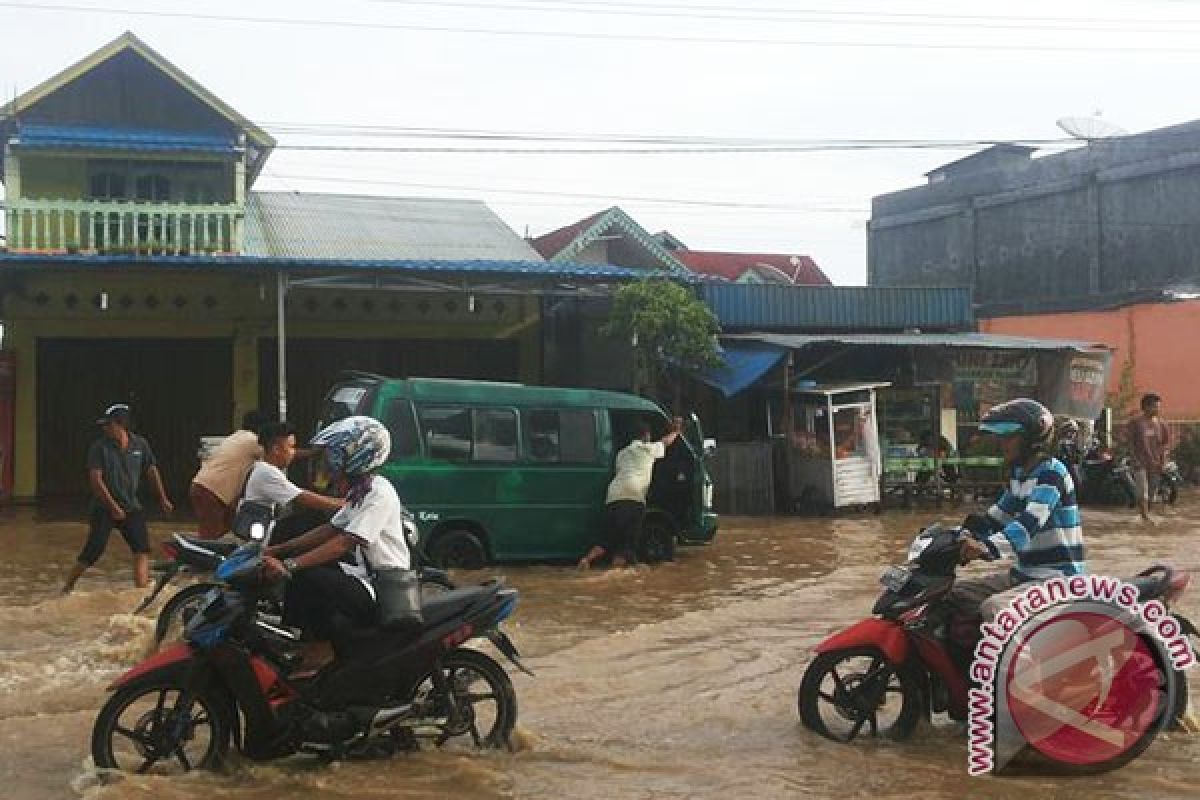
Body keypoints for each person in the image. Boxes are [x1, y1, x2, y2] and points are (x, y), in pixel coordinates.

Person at [262, 416, 408, 671]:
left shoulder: (379, 492)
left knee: (307, 577)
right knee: (303, 577)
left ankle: (321, 653)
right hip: (363, 576)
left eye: (336, 455)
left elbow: (343, 543)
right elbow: (328, 529)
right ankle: (313, 644)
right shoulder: (362, 490)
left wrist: (290, 564)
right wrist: (276, 550)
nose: (329, 463)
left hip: (383, 586)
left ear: (358, 455)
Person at [949, 398, 1085, 624]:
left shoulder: (1051, 474)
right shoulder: (1019, 476)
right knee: (956, 594)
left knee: (995, 608)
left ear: (1031, 439)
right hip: (1024, 575)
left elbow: (1027, 525)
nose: (1003, 443)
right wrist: (954, 537)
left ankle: (1024, 660)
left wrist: (985, 547)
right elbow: (995, 518)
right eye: (1001, 437)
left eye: (1009, 437)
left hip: (1058, 581)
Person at [62, 404, 174, 593]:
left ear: (121, 425)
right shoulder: (99, 448)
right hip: (103, 508)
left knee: (141, 549)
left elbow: (152, 471)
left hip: (131, 507)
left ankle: (141, 591)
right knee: (93, 551)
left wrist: (163, 498)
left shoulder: (140, 445)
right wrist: (113, 507)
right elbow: (96, 481)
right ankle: (68, 586)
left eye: (109, 424)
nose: (105, 429)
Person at [578, 416, 683, 570]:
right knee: (626, 545)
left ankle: (586, 560)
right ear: (646, 435)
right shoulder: (647, 449)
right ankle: (614, 575)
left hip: (613, 497)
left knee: (606, 540)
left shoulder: (622, 453)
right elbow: (666, 442)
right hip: (633, 499)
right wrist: (676, 431)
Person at [189, 410, 271, 539]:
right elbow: (275, 454)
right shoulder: (253, 441)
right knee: (210, 535)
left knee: (229, 524)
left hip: (205, 486)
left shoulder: (237, 436)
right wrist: (308, 453)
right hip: (212, 491)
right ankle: (202, 556)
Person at [242, 421, 345, 520]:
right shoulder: (267, 472)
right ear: (276, 449)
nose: (293, 452)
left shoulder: (263, 467)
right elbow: (302, 497)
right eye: (291, 447)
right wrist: (342, 503)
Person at [1128, 392, 1170, 525]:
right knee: (1143, 492)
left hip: (1155, 464)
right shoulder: (1136, 423)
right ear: (1145, 407)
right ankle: (1145, 518)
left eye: (1158, 407)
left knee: (1152, 493)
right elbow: (1130, 442)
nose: (1158, 410)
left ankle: (1144, 516)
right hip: (1140, 463)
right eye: (1155, 407)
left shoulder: (1162, 424)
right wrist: (1134, 459)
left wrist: (1163, 461)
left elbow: (1164, 444)